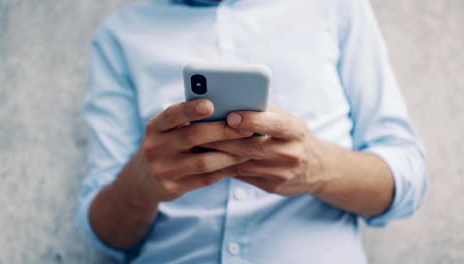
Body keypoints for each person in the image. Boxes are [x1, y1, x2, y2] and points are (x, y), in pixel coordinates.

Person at [76, 0, 428, 263]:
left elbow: (408, 176)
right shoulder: (120, 35)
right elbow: (103, 234)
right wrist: (142, 184)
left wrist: (318, 167)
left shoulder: (335, 7)